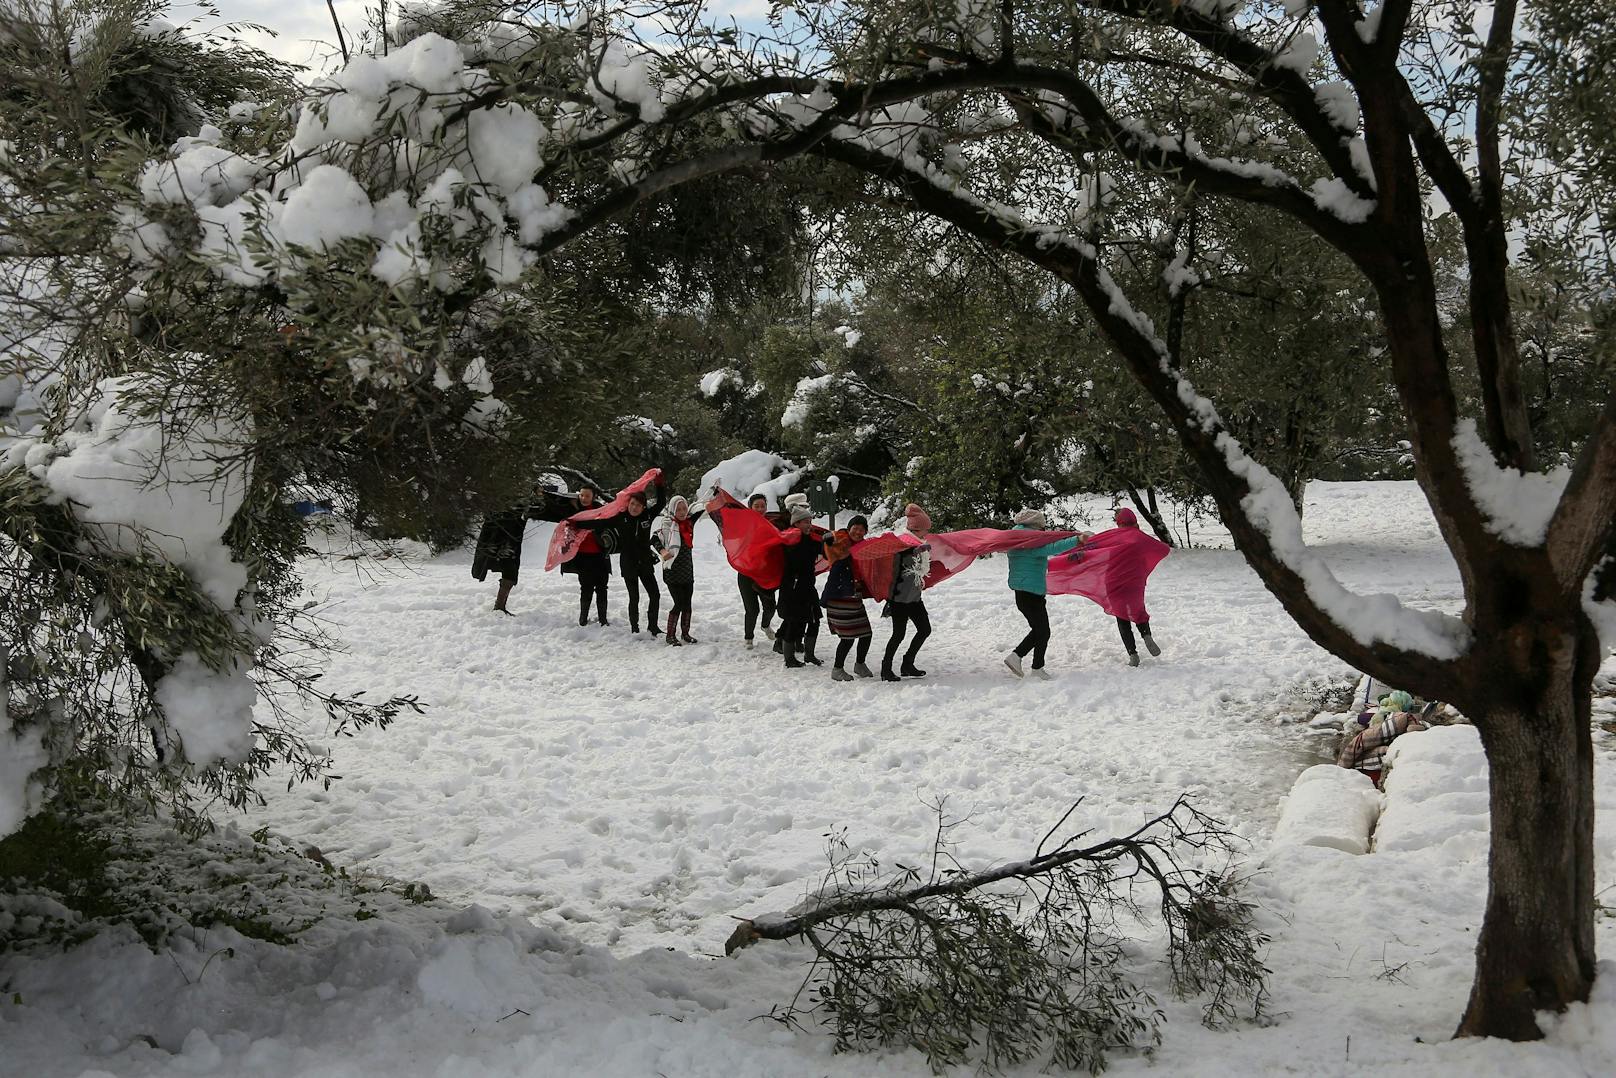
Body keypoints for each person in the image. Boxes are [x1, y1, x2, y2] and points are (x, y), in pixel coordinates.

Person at [1002, 509, 1086, 680]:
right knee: (1043, 631)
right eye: (1041, 527)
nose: (1042, 531)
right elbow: (1053, 547)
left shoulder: (1015, 540)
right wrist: (1077, 539)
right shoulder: (1030, 541)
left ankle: (1024, 660)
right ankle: (1028, 663)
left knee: (1040, 630)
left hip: (1022, 593)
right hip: (1032, 593)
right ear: (1034, 525)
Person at [576, 478, 666, 635]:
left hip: (645, 562)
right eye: (632, 504)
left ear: (643, 507)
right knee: (634, 597)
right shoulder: (621, 517)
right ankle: (635, 628)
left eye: (638, 505)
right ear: (628, 504)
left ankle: (653, 626)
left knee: (655, 595)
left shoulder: (647, 516)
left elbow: (661, 502)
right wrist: (577, 523)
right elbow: (600, 522)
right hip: (628, 564)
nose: (634, 508)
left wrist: (658, 484)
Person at [882, 503, 934, 681]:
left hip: (914, 598)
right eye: (925, 530)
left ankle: (907, 663)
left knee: (925, 629)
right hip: (899, 599)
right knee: (898, 634)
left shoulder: (920, 546)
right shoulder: (903, 546)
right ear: (916, 529)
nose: (927, 534)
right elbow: (894, 573)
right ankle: (886, 668)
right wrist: (890, 598)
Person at [1108, 508, 1163, 667]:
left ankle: (1133, 654)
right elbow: (1158, 548)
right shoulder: (1140, 538)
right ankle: (1146, 635)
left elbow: (1102, 554)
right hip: (1135, 583)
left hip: (1115, 583)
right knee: (1138, 612)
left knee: (1122, 619)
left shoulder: (1113, 538)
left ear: (1119, 523)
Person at [822, 516, 873, 681]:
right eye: (855, 528)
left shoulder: (863, 547)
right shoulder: (841, 541)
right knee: (848, 637)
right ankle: (837, 669)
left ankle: (860, 664)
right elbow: (828, 542)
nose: (858, 532)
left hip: (854, 595)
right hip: (839, 596)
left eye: (861, 529)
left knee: (866, 633)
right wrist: (828, 538)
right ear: (849, 528)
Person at [654, 495, 705, 645]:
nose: (682, 512)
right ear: (672, 510)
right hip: (672, 573)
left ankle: (685, 633)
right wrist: (663, 552)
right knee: (679, 603)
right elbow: (654, 539)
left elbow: (702, 507)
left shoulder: (689, 523)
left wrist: (714, 494)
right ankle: (670, 635)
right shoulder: (667, 524)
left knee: (687, 603)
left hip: (687, 571)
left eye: (684, 508)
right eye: (678, 509)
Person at [777, 505, 824, 668]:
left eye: (810, 521)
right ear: (796, 523)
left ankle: (809, 655)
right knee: (793, 622)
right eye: (805, 521)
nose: (809, 525)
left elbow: (820, 549)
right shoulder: (791, 539)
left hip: (808, 587)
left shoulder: (808, 539)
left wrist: (828, 541)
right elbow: (798, 558)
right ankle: (789, 659)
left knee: (814, 621)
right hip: (793, 588)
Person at [560, 483, 611, 626]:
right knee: (586, 587)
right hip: (582, 556)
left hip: (600, 555)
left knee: (602, 587)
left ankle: (603, 618)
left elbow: (603, 525)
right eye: (581, 495)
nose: (584, 498)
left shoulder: (600, 511)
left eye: (587, 495)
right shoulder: (574, 510)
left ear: (593, 496)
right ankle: (583, 618)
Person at [737, 493, 778, 649]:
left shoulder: (772, 524)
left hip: (765, 574)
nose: (760, 509)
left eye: (763, 506)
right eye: (757, 506)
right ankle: (748, 637)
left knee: (770, 606)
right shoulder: (743, 525)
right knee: (752, 609)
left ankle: (765, 625)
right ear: (750, 507)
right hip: (746, 573)